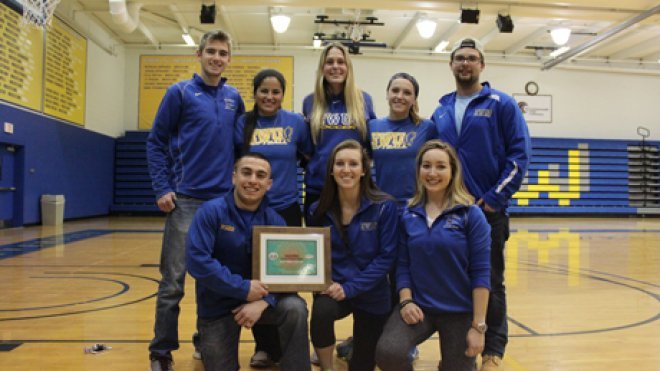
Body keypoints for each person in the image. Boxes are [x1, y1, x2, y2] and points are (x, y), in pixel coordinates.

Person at [146, 30, 245, 371]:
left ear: (229, 58)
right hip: (185, 201)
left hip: (223, 204)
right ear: (199, 55)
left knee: (214, 278)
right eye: (211, 52)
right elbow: (156, 141)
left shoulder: (235, 97)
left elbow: (240, 150)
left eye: (223, 53)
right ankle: (161, 351)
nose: (217, 58)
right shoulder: (180, 93)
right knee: (173, 281)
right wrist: (162, 188)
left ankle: (205, 338)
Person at [431, 38, 531, 370]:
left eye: (471, 59)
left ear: (482, 65)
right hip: (450, 214)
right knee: (458, 280)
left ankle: (494, 350)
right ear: (451, 65)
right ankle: (465, 340)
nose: (465, 63)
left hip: (488, 213)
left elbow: (518, 158)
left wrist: (491, 200)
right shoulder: (441, 108)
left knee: (490, 280)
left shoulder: (501, 103)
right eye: (459, 58)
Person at [185, 153, 311, 371]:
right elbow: (197, 261)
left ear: (268, 184)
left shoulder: (274, 221)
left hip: (260, 301)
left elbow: (287, 272)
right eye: (246, 173)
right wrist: (242, 288)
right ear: (234, 177)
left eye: (260, 175)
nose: (253, 180)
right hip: (218, 306)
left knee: (295, 307)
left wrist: (265, 301)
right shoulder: (210, 212)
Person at [375, 140, 491, 371]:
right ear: (418, 170)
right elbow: (403, 266)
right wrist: (406, 301)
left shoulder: (471, 214)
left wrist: (478, 327)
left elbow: (481, 273)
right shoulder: (408, 213)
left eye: (441, 166)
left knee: (457, 366)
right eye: (426, 166)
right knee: (388, 352)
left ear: (453, 171)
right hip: (420, 307)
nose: (432, 173)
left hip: (458, 310)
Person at [234, 68, 312, 367]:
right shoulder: (242, 123)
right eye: (263, 91)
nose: (269, 96)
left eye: (275, 91)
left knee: (286, 279)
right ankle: (264, 346)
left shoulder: (295, 123)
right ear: (254, 93)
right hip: (252, 210)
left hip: (288, 208)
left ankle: (287, 346)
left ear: (283, 94)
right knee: (256, 278)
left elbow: (307, 156)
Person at [306, 139, 398, 371]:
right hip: (335, 290)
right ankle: (327, 367)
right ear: (331, 169)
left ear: (363, 169)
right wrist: (321, 282)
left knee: (362, 365)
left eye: (353, 164)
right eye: (340, 164)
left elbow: (386, 258)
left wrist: (350, 287)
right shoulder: (317, 210)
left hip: (372, 293)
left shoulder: (385, 206)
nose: (346, 169)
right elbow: (314, 255)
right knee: (320, 312)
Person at [302, 42, 377, 218]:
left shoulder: (363, 100)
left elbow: (370, 145)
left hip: (353, 188)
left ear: (348, 67)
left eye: (340, 62)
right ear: (322, 68)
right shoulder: (310, 102)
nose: (335, 67)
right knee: (320, 242)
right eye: (329, 62)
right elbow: (307, 148)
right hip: (318, 187)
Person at [369, 72, 438, 207]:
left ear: (414, 99)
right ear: (387, 94)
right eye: (395, 91)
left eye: (407, 93)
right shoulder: (372, 126)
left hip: (414, 205)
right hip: (380, 205)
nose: (399, 96)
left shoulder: (427, 128)